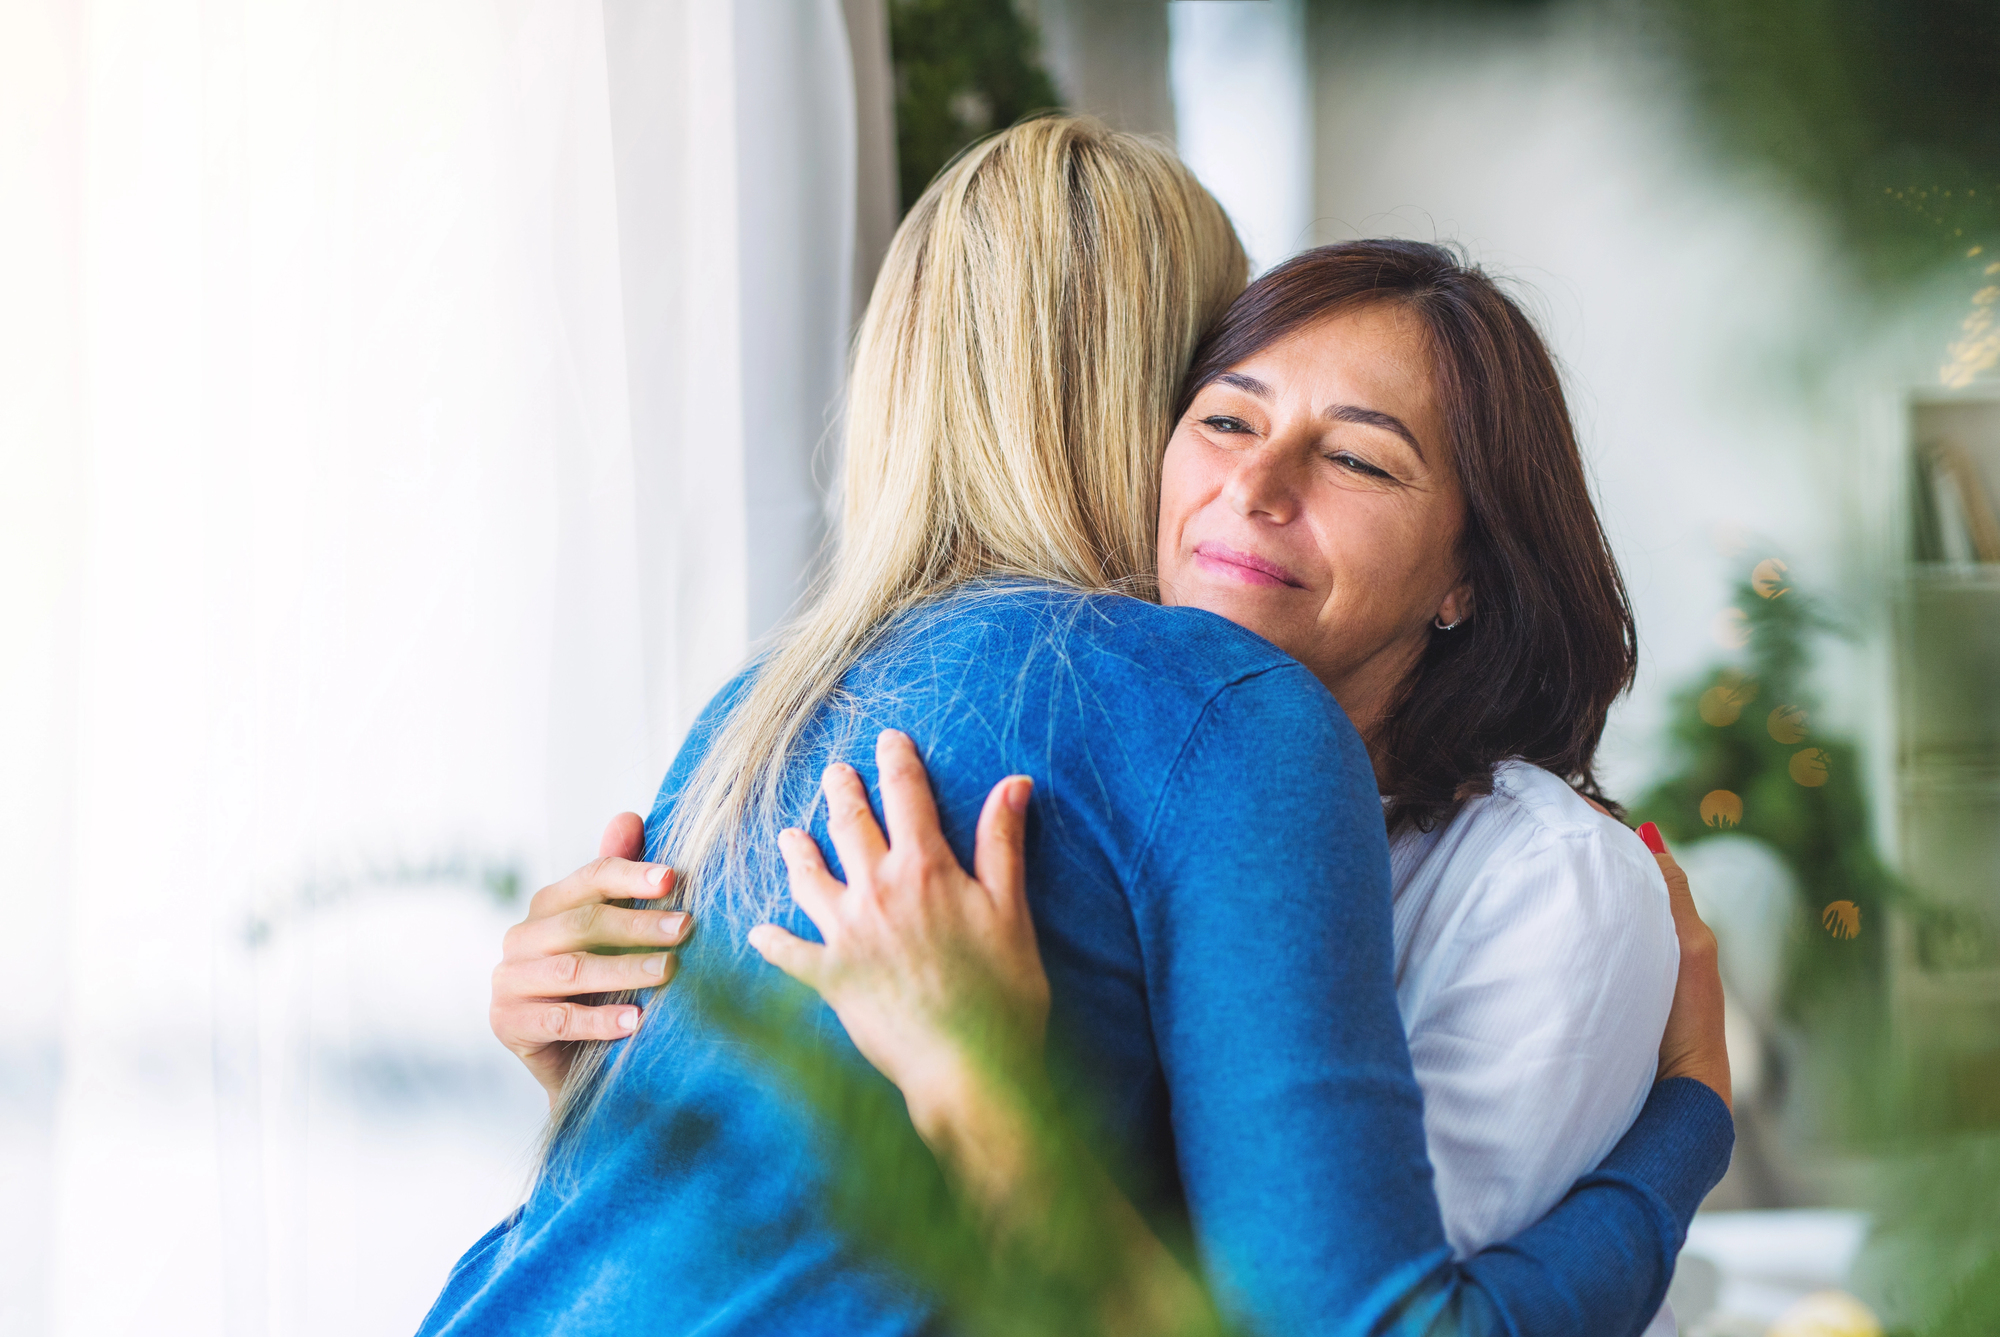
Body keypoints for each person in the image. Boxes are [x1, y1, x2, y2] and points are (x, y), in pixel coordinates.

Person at [432, 117, 1731, 1337]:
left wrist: (606, 1082)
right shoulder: (1218, 709)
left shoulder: (764, 706)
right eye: (1221, 406)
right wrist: (1689, 1122)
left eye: (1356, 454)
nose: (1248, 479)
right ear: (1146, 400)